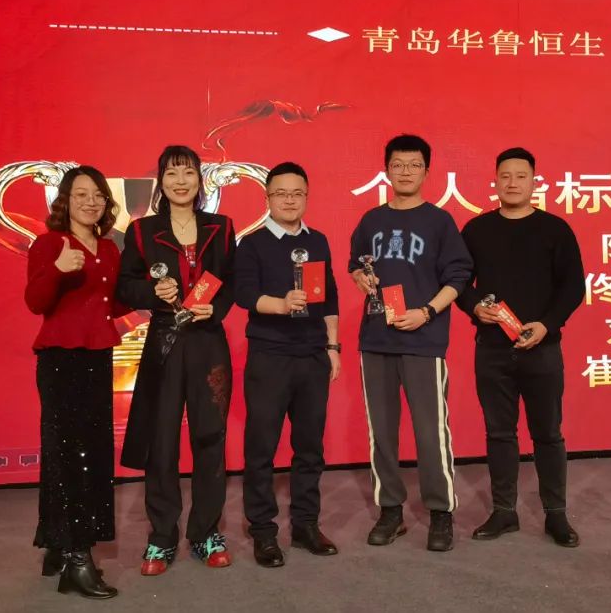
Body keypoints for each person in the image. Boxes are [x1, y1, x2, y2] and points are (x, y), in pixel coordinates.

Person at [348, 134, 472, 552]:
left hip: (423, 338)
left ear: (426, 171)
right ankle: (390, 510)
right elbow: (356, 266)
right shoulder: (371, 220)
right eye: (397, 165)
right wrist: (360, 278)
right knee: (381, 431)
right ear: (386, 170)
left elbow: (458, 278)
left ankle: (441, 512)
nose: (405, 172)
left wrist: (427, 312)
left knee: (430, 432)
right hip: (376, 338)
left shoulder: (440, 222)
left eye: (413, 165)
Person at [117, 145, 236, 575]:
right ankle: (162, 536)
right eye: (172, 173)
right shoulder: (142, 231)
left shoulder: (222, 227)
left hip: (208, 341)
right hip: (164, 342)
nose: (180, 181)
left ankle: (205, 533)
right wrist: (153, 293)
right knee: (161, 440)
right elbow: (124, 286)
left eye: (188, 173)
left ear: (199, 180)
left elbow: (233, 281)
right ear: (161, 181)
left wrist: (214, 308)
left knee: (210, 438)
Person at [457, 147, 585, 547]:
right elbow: (458, 282)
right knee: (499, 433)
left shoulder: (555, 229)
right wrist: (474, 306)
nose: (512, 183)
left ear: (534, 181)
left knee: (548, 433)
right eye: (505, 176)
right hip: (492, 349)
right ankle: (504, 511)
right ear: (495, 181)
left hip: (542, 349)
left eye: (521, 176)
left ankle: (556, 514)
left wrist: (547, 325)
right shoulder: (476, 230)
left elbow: (573, 287)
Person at [24, 164, 124, 598]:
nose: (91, 201)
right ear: (65, 200)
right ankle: (78, 560)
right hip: (60, 361)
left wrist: (159, 294)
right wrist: (59, 268)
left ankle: (58, 544)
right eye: (81, 194)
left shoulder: (110, 248)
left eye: (98, 195)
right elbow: (35, 301)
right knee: (69, 456)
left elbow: (112, 301)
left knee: (93, 453)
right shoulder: (49, 243)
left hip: (98, 357)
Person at [234, 162, 341, 568]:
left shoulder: (319, 241)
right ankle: (263, 530)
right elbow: (244, 295)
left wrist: (333, 347)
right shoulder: (252, 244)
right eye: (281, 193)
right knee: (261, 447)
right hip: (270, 356)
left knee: (310, 447)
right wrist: (281, 305)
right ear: (268, 197)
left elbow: (330, 297)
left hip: (313, 355)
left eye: (297, 193)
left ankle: (305, 524)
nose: (289, 200)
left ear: (307, 197)